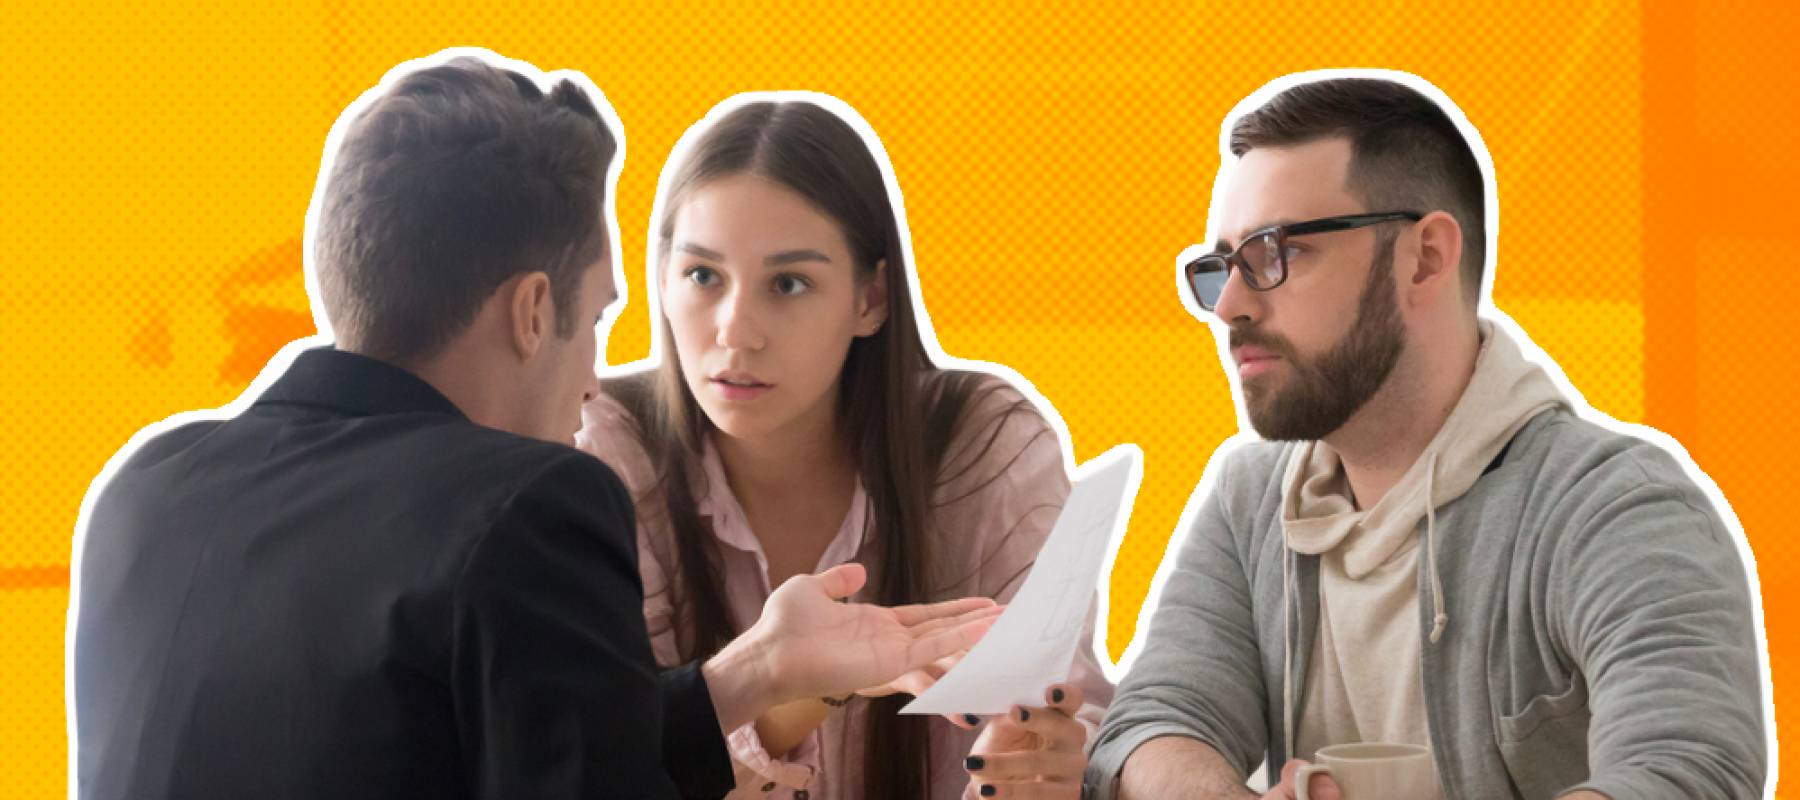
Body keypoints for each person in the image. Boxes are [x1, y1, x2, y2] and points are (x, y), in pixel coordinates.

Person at [67, 52, 999, 800]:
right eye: (593, 320)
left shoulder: (145, 484)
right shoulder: (525, 505)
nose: (595, 382)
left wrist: (757, 669)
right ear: (529, 311)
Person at [1085, 74, 1768, 799]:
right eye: (1223, 267)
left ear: (1427, 258)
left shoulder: (1616, 508)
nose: (1230, 306)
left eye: (1274, 253)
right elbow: (1160, 718)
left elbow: (1688, 773)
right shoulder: (1249, 498)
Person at [575, 95, 1114, 799]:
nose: (736, 332)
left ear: (872, 299)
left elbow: (1074, 712)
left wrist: (1047, 759)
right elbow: (604, 766)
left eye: (789, 284)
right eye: (703, 276)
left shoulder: (984, 446)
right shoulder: (606, 454)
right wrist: (795, 687)